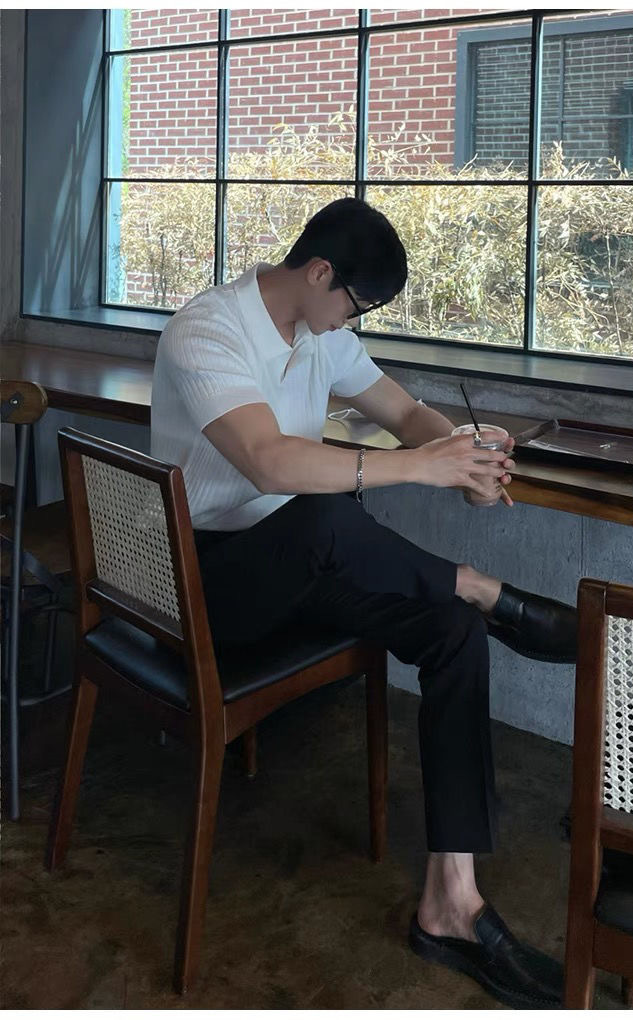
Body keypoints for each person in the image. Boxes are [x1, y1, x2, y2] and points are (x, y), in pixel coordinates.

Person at [151, 197, 575, 1007]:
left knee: (451, 631)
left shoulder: (322, 334)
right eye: (358, 303)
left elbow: (404, 412)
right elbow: (271, 462)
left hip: (301, 567)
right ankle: (481, 586)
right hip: (207, 588)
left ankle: (452, 902)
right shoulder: (205, 330)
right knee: (323, 513)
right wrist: (420, 470)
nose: (357, 320)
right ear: (319, 272)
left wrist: (463, 454)